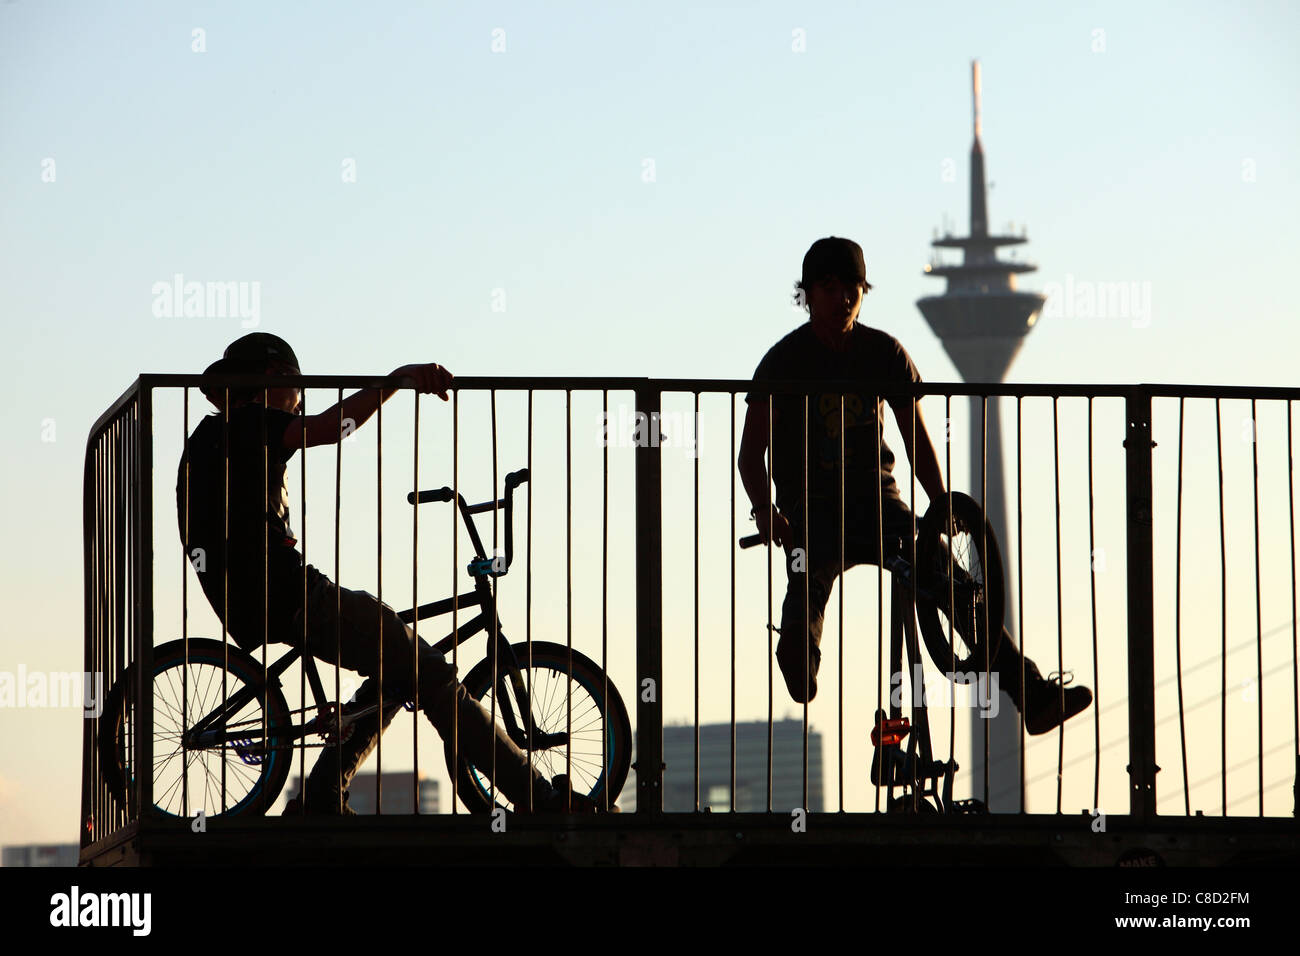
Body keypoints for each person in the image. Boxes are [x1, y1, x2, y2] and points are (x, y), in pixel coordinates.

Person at [177, 332, 600, 813]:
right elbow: (331, 429)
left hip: (256, 598)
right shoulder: (248, 425)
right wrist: (396, 381)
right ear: (276, 380)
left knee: (394, 670)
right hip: (290, 593)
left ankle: (322, 794)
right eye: (298, 389)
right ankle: (541, 801)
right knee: (433, 676)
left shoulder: (213, 439)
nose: (298, 403)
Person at [736, 237, 1091, 734]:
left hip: (880, 505)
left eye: (852, 289)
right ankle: (799, 655)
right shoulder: (783, 362)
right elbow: (750, 455)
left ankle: (1031, 695)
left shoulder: (883, 353)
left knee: (954, 583)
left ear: (863, 292)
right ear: (809, 293)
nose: (841, 299)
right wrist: (765, 510)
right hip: (813, 509)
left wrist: (943, 506)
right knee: (807, 573)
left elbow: (917, 441)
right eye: (829, 287)